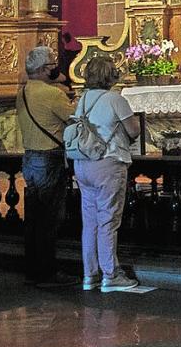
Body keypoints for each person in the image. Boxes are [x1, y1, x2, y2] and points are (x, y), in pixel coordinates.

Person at [72, 56, 141, 292]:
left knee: (89, 222)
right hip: (108, 163)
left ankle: (90, 275)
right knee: (108, 220)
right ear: (110, 75)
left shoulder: (82, 100)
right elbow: (134, 130)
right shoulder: (115, 99)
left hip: (83, 164)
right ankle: (111, 275)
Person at [17, 45, 76, 287]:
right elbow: (74, 119)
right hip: (49, 160)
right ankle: (48, 272)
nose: (55, 68)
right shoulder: (52, 95)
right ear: (42, 70)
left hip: (30, 158)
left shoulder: (22, 92)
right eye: (52, 65)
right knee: (50, 219)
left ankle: (33, 270)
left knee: (33, 219)